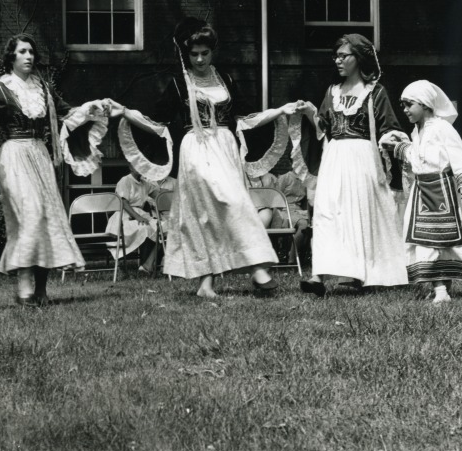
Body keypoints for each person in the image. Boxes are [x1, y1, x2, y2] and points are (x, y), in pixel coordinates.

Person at [108, 18, 300, 299]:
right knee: (217, 206)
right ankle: (250, 271)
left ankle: (216, 281)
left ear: (213, 52)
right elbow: (156, 122)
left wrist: (280, 110)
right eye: (193, 54)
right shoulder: (178, 84)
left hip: (225, 148)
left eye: (205, 53)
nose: (199, 59)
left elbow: (247, 118)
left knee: (226, 207)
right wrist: (125, 112)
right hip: (196, 149)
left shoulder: (228, 81)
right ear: (186, 54)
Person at [0, 33, 110, 306]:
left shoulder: (43, 89)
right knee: (29, 216)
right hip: (14, 156)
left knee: (46, 218)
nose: (29, 56)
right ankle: (24, 286)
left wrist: (91, 108)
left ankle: (41, 290)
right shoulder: (1, 88)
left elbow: (67, 113)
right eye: (22, 52)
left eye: (31, 52)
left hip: (39, 155)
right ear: (11, 57)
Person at [296, 34, 408, 297]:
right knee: (326, 212)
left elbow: (388, 128)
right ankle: (318, 276)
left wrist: (391, 142)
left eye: (343, 56)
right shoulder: (331, 91)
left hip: (363, 159)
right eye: (336, 56)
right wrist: (310, 113)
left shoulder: (375, 92)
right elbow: (324, 129)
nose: (338, 60)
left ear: (359, 58)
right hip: (335, 158)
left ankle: (360, 274)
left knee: (359, 214)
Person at [381, 81, 462, 305]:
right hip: (422, 191)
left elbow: (457, 154)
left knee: (443, 241)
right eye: (402, 105)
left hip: (442, 189)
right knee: (424, 240)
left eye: (409, 104)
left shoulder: (443, 128)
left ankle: (443, 289)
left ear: (425, 104)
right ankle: (439, 287)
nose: (404, 110)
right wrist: (399, 148)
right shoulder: (416, 131)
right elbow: (416, 156)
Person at [103, 169, 175, 275]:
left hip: (140, 215)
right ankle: (140, 267)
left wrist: (178, 194)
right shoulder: (125, 180)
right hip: (124, 217)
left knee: (164, 228)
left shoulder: (145, 183)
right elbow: (124, 202)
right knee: (146, 229)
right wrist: (137, 217)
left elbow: (159, 195)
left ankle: (147, 265)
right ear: (130, 166)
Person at [248, 170, 311, 267]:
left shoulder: (305, 179)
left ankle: (301, 257)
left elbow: (306, 200)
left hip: (298, 210)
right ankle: (292, 258)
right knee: (303, 225)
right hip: (284, 209)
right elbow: (275, 196)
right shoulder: (286, 177)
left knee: (312, 226)